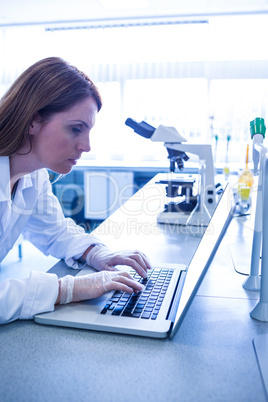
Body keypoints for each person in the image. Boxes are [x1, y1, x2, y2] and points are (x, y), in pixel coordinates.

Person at [0, 57, 151, 324]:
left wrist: (97, 253)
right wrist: (68, 289)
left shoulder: (34, 175)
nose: (86, 146)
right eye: (75, 129)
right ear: (33, 121)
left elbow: (55, 231)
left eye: (88, 130)